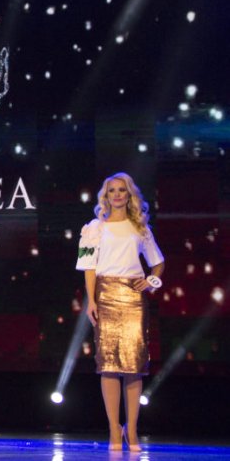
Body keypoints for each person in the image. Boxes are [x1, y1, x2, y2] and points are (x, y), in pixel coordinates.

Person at [76, 172, 165, 452]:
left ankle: (132, 430)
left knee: (133, 366)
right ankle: (114, 429)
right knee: (109, 365)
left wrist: (151, 281)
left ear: (129, 195)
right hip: (105, 295)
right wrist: (92, 301)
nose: (116, 194)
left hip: (133, 297)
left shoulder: (140, 227)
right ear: (106, 196)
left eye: (122, 190)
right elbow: (89, 267)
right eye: (112, 190)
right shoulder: (94, 228)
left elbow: (158, 262)